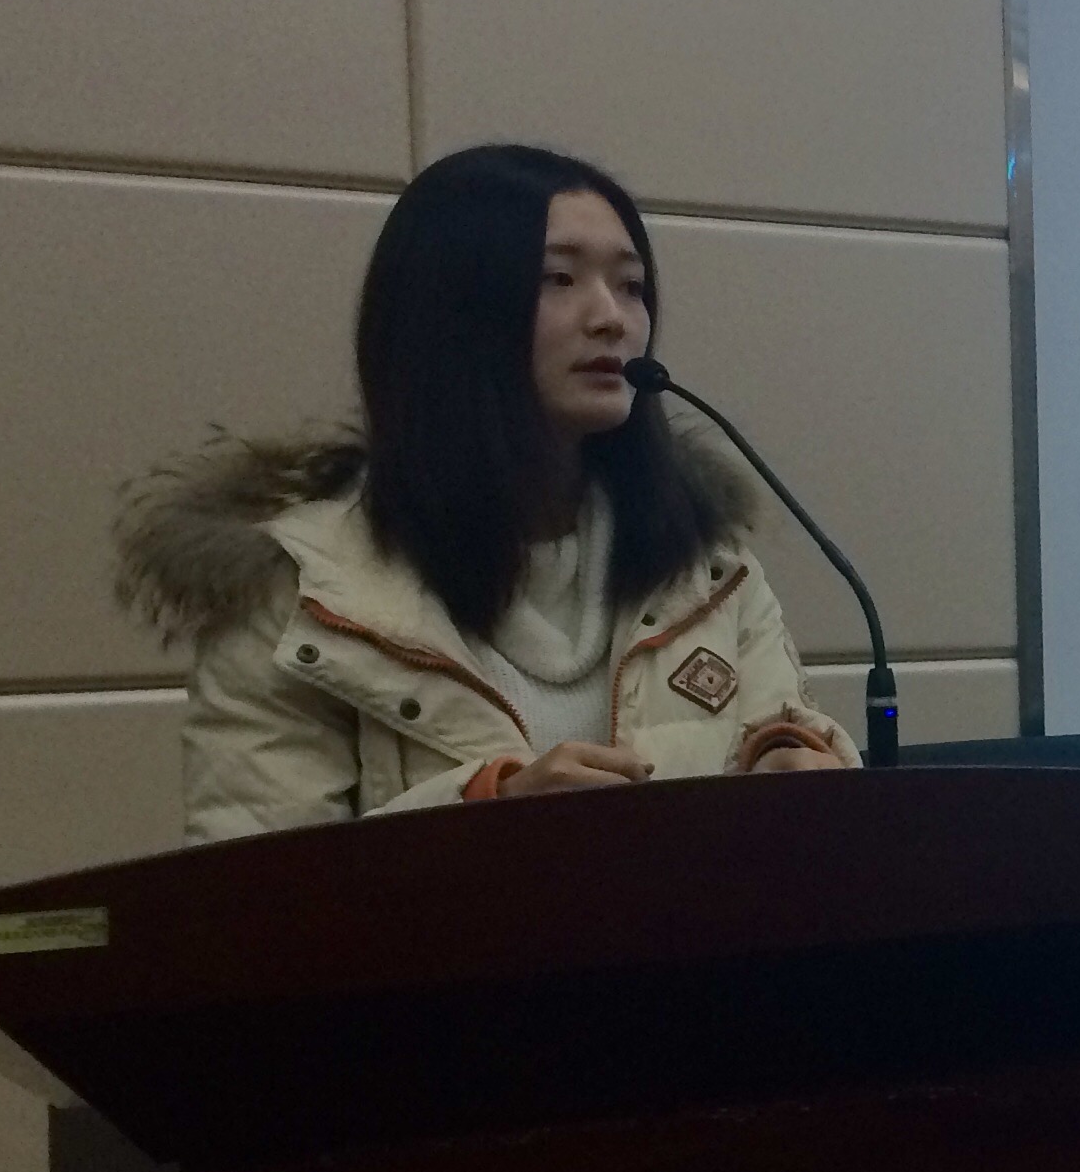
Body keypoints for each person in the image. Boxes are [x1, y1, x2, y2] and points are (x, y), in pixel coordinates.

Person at [117, 144, 853, 843]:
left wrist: (790, 760)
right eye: (558, 279)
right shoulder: (298, 597)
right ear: (450, 313)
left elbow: (795, 754)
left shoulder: (708, 570)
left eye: (631, 285)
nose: (611, 317)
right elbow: (259, 900)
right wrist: (490, 819)